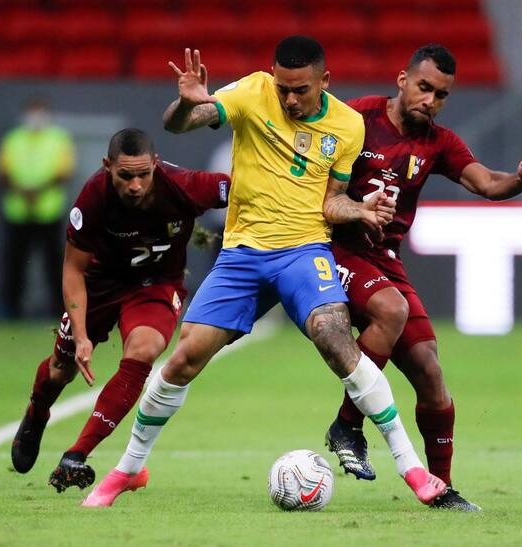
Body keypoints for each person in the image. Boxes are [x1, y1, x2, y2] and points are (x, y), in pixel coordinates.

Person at [84, 36, 446, 508]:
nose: (290, 99)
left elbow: (332, 201)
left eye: (301, 90)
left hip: (304, 251)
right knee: (183, 359)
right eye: (283, 89)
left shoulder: (347, 125)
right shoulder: (253, 91)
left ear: (324, 81)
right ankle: (128, 469)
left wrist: (358, 209)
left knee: (336, 338)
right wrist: (187, 103)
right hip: (242, 255)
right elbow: (180, 124)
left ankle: (411, 466)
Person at [323, 44, 522, 511]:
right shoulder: (355, 117)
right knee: (392, 309)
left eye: (441, 94)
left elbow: (486, 182)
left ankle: (441, 488)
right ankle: (347, 424)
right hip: (334, 248)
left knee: (430, 371)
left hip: (383, 260)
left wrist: (518, 180)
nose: (430, 100)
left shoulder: (438, 142)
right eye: (424, 87)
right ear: (402, 80)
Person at [9, 128, 231, 493]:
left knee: (144, 350)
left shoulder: (184, 186)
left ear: (156, 165)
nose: (135, 185)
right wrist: (82, 336)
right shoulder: (93, 196)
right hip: (100, 283)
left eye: (143, 174)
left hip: (156, 284)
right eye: (125, 175)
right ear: (107, 166)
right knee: (60, 371)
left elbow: (246, 189)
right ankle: (37, 412)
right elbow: (73, 270)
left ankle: (77, 454)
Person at [0, 97, 76, 318]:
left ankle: (60, 311)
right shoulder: (12, 139)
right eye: (32, 112)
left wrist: (36, 191)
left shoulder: (58, 138)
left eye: (39, 112)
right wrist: (23, 191)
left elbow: (65, 172)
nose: (35, 117)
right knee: (15, 264)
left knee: (54, 264)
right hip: (17, 212)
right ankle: (10, 311)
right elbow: (2, 172)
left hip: (48, 212)